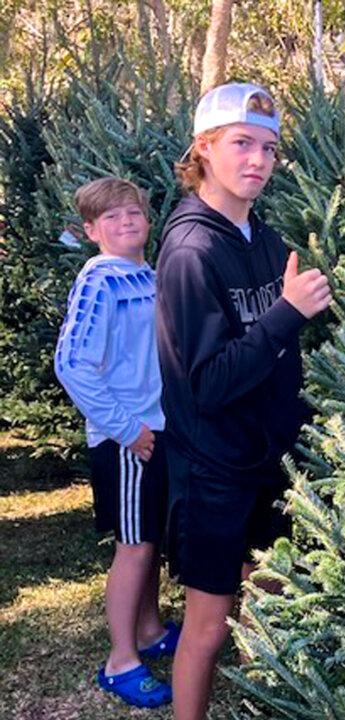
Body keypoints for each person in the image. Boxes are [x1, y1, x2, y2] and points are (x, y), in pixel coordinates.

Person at [155, 82, 331, 720]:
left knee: (273, 592)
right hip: (216, 468)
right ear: (204, 148)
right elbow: (207, 384)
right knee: (208, 622)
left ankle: (268, 699)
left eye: (269, 148)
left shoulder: (261, 235)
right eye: (241, 144)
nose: (257, 159)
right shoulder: (191, 251)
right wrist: (287, 315)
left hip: (269, 457)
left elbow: (272, 352)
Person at [54, 176, 179, 709]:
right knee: (134, 547)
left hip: (158, 431)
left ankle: (150, 631)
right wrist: (127, 429)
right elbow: (72, 364)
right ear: (90, 230)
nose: (126, 222)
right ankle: (121, 660)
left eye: (134, 213)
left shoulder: (147, 276)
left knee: (149, 537)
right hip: (128, 439)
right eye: (111, 217)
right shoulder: (99, 282)